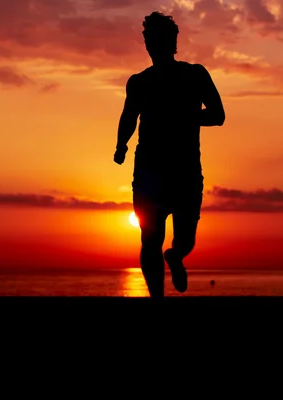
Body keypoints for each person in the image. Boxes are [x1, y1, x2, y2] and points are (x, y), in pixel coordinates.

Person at [114, 12, 225, 298]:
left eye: (159, 40)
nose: (154, 45)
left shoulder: (195, 74)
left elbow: (218, 115)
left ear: (172, 42)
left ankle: (175, 257)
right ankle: (157, 299)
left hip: (185, 170)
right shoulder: (138, 82)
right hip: (149, 170)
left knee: (185, 238)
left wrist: (186, 118)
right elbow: (128, 117)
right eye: (150, 40)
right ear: (147, 45)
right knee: (150, 238)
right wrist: (120, 146)